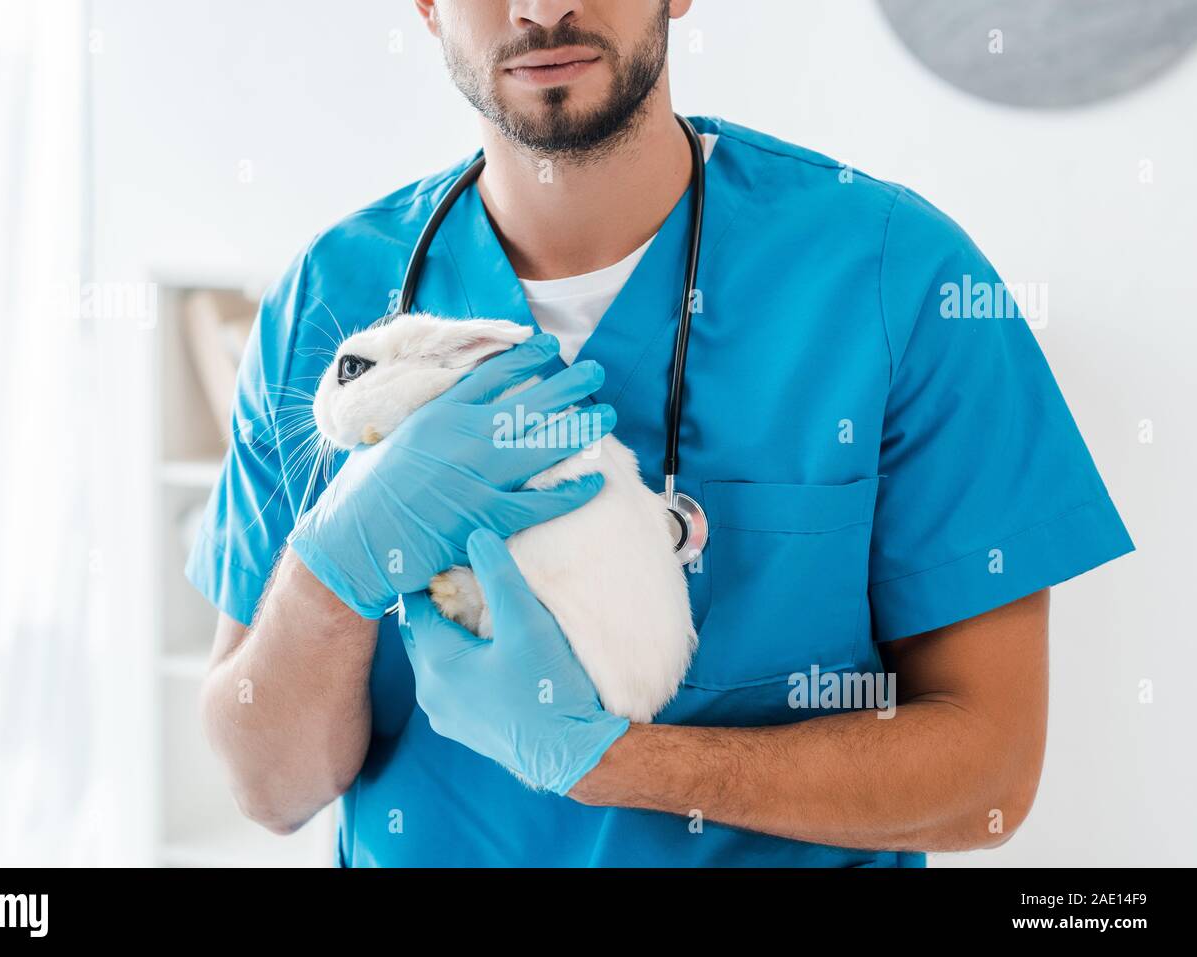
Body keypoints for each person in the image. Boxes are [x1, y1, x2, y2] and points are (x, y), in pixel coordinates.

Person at [188, 0, 1133, 867]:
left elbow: (991, 775)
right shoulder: (331, 300)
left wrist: (612, 763)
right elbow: (267, 788)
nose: (543, 7)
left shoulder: (895, 278)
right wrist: (332, 568)